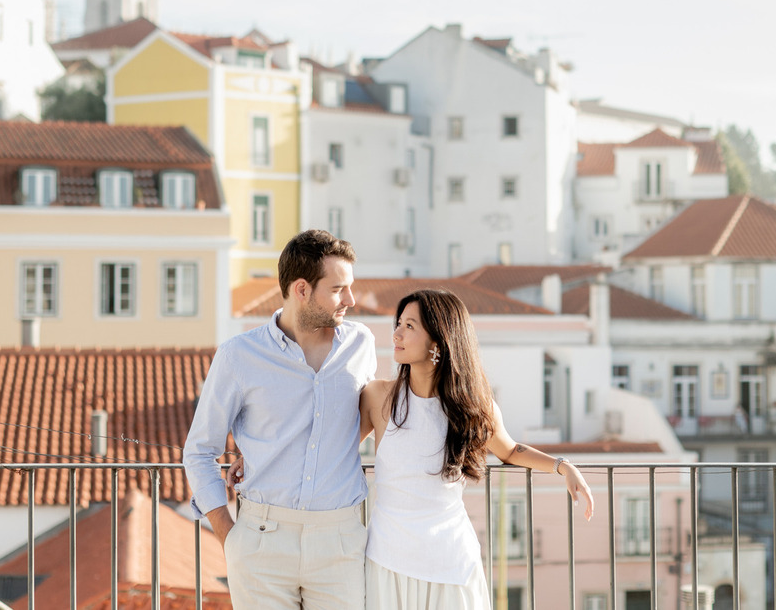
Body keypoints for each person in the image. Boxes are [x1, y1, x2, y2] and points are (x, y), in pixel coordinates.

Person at [361, 289, 595, 609]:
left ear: (438, 341)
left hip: (451, 561)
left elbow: (510, 451)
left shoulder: (471, 407)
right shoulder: (378, 396)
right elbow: (339, 450)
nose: (396, 333)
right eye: (398, 323)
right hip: (387, 558)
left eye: (410, 326)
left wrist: (562, 465)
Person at [183, 229, 376, 610]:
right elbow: (199, 450)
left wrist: (275, 452)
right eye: (338, 289)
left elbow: (358, 422)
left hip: (340, 541)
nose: (351, 300)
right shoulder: (239, 355)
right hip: (261, 541)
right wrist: (229, 536)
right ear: (301, 290)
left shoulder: (362, 344)